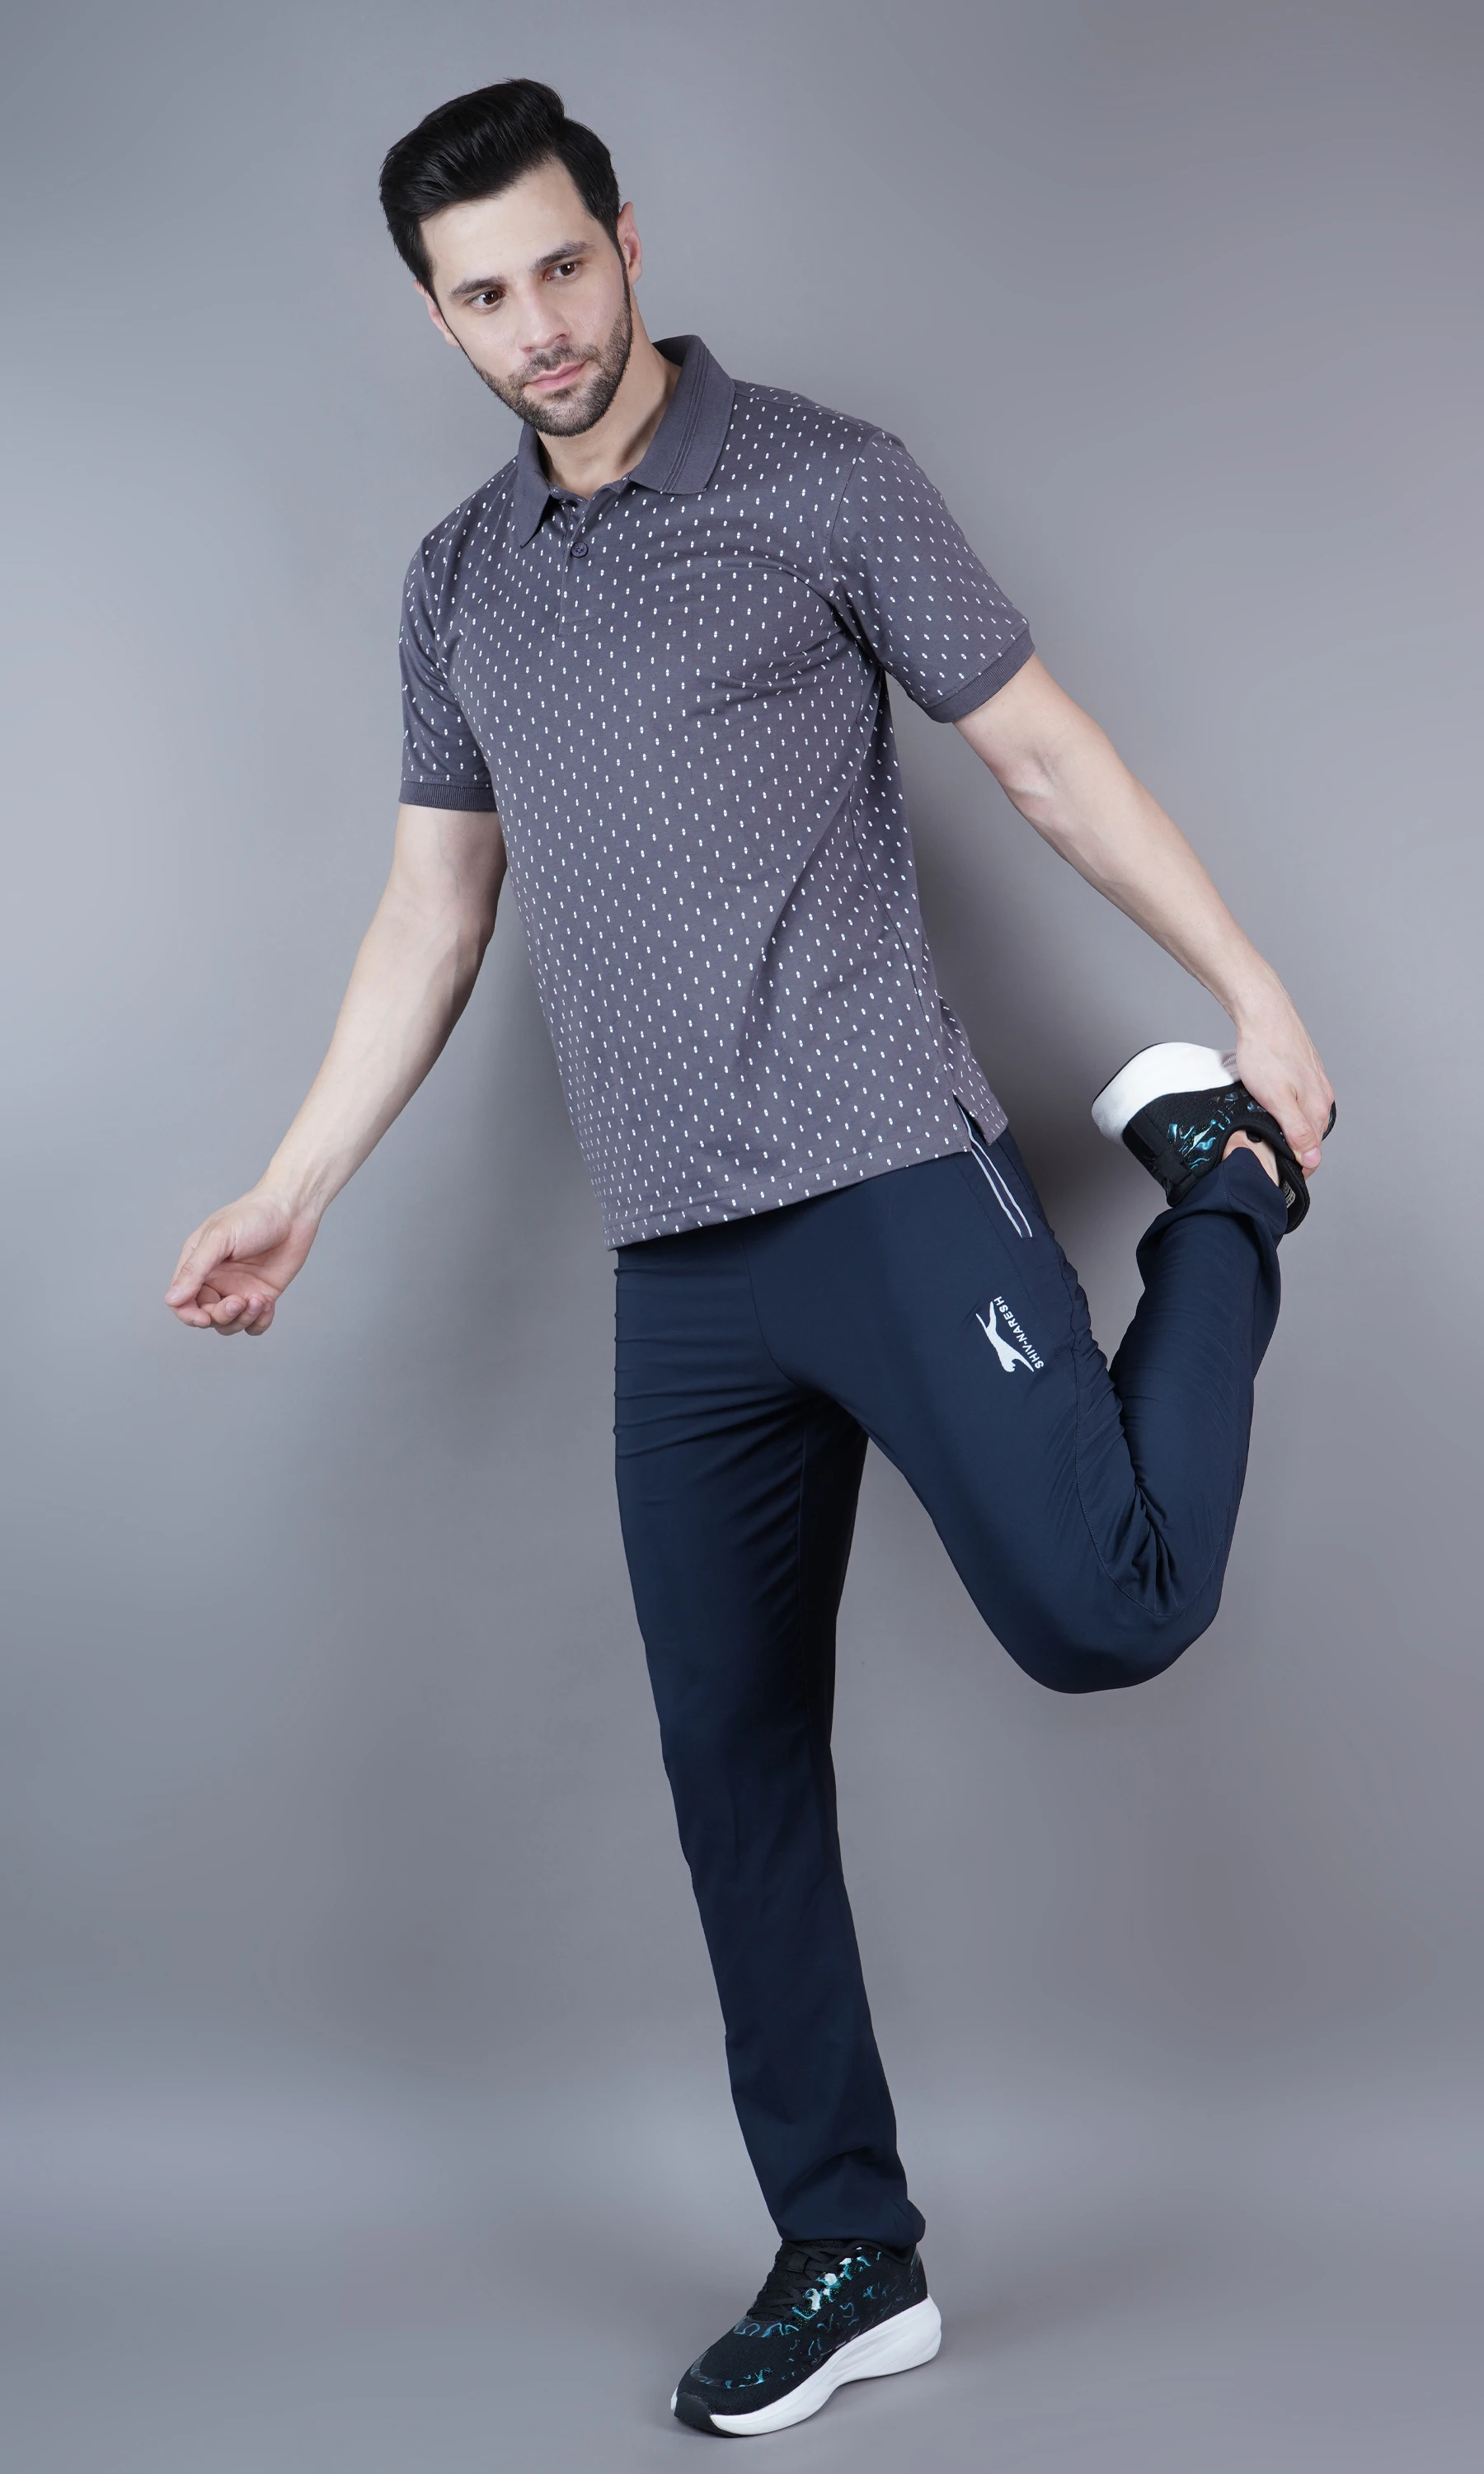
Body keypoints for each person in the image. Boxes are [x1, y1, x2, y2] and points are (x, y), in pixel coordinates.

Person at [165, 78, 1335, 2438]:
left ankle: (1218, 1188)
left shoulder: (818, 477)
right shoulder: (459, 582)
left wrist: (1254, 994)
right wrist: (297, 1182)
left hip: (890, 1174)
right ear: (435, 315)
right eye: (482, 296)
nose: (536, 325)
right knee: (732, 1757)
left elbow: (1042, 754)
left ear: (626, 236)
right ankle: (849, 2250)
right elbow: (432, 910)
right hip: (680, 1264)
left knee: (1107, 1611)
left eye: (559, 266)